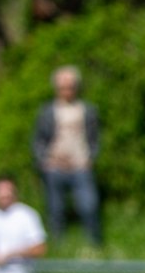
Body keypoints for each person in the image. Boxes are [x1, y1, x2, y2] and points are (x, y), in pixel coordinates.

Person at [31, 65, 102, 246]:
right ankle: (58, 247)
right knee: (55, 209)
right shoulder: (47, 111)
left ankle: (94, 245)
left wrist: (90, 158)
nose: (67, 91)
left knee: (89, 205)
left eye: (70, 87)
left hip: (80, 165)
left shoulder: (87, 110)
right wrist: (44, 161)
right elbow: (39, 139)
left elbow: (94, 138)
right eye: (63, 87)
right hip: (55, 166)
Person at [0, 178, 47, 273]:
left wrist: (11, 255)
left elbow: (39, 248)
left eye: (7, 190)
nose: (3, 194)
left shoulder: (27, 214)